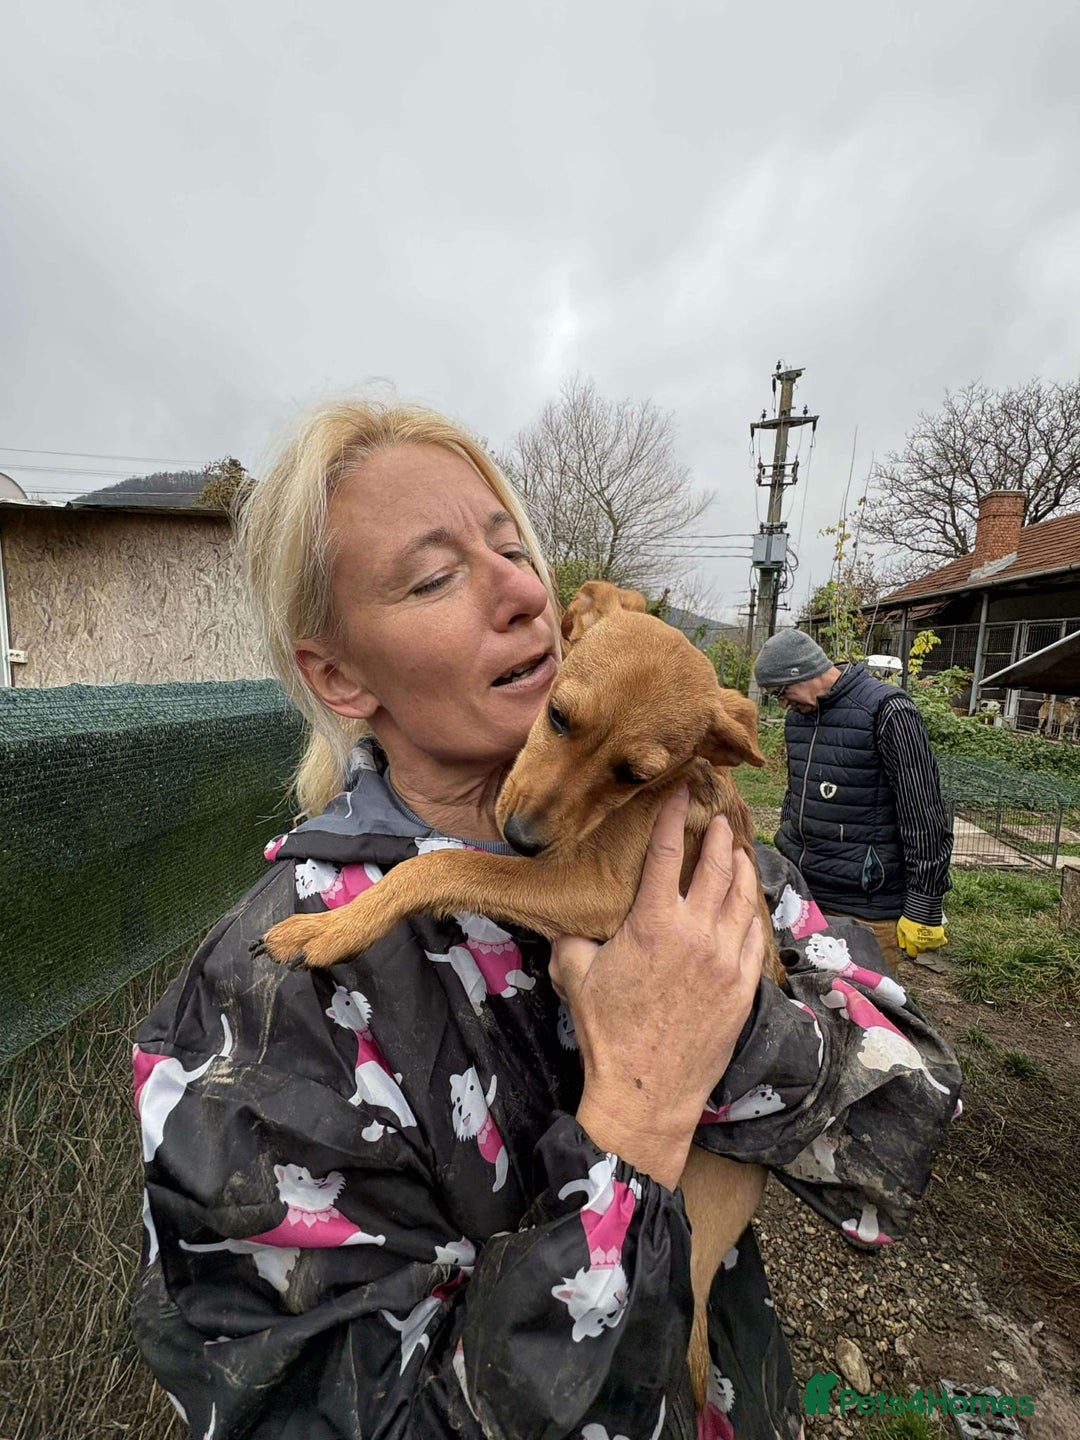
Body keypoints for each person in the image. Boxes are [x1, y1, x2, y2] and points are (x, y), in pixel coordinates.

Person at [131, 400, 961, 1440]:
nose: (523, 592)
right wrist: (638, 1116)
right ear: (340, 676)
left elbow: (917, 1109)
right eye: (435, 576)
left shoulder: (695, 835)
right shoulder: (262, 1007)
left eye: (515, 547)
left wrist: (734, 1022)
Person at [753, 630, 954, 971]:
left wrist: (925, 902)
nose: (783, 703)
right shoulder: (798, 720)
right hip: (805, 895)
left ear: (803, 673)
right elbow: (796, 791)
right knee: (808, 1006)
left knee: (866, 1010)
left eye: (781, 692)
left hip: (866, 905)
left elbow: (924, 813)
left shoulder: (887, 711)